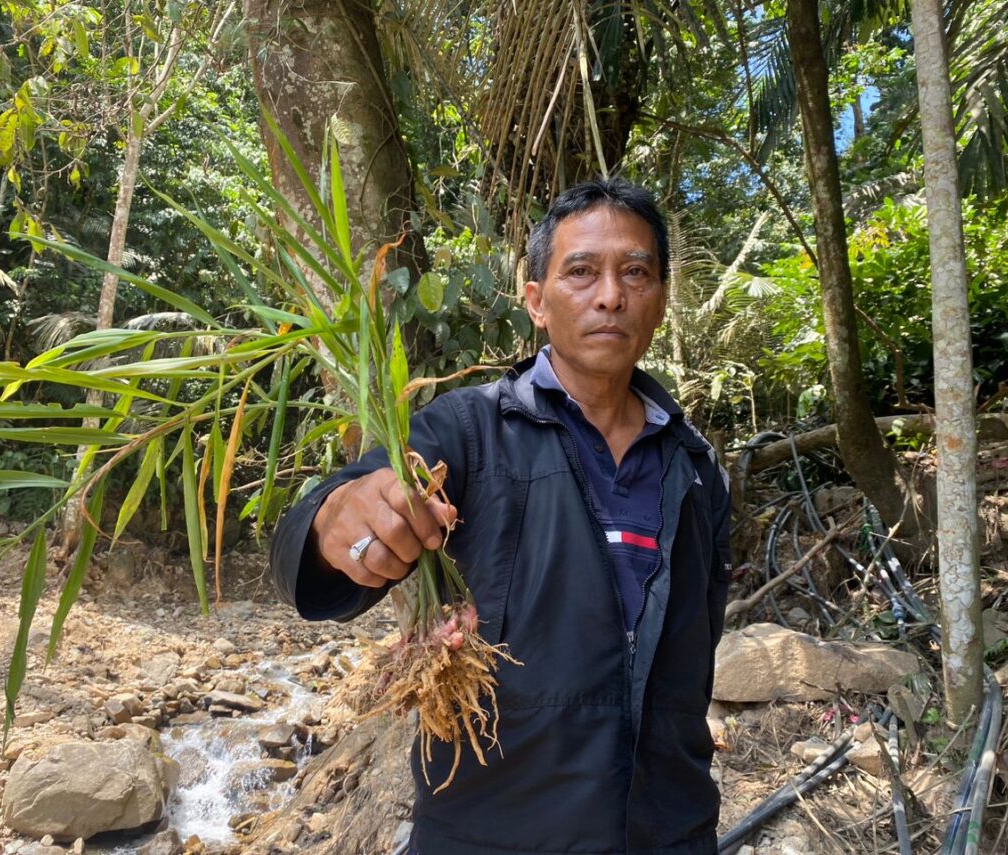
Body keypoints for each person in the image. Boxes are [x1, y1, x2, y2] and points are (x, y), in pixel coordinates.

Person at [270, 178, 732, 855]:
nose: (610, 295)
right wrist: (340, 519)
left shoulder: (697, 471)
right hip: (490, 835)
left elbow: (694, 660)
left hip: (669, 834)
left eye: (635, 272)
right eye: (582, 271)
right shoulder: (468, 431)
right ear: (536, 302)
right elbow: (316, 530)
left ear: (660, 299)